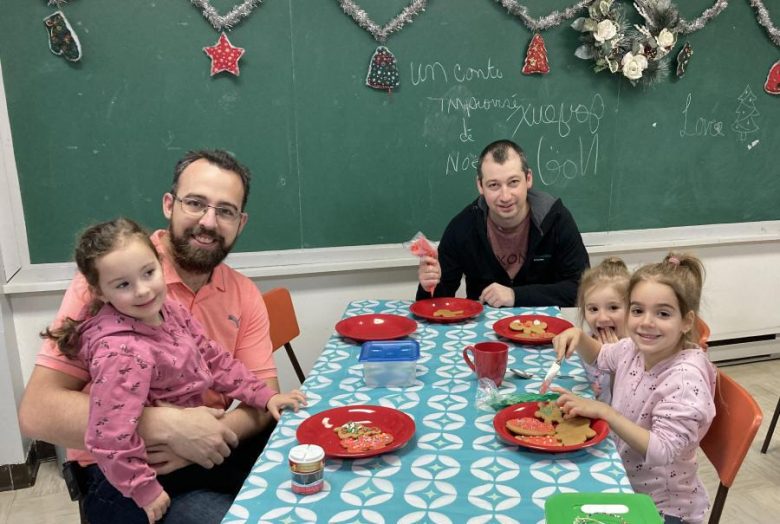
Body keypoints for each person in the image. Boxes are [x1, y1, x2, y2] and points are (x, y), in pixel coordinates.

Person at [19, 149, 278, 523]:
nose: (208, 221)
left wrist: (207, 435)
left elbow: (262, 388)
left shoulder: (243, 293)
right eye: (195, 203)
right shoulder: (108, 280)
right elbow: (37, 412)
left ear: (241, 222)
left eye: (225, 211)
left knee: (306, 475)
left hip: (206, 452)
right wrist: (166, 426)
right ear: (169, 204)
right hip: (123, 474)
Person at [42, 218, 306, 523]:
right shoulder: (121, 353)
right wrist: (144, 489)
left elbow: (213, 358)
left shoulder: (170, 311)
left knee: (286, 447)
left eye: (149, 273)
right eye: (123, 284)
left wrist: (262, 395)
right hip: (138, 475)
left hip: (188, 452)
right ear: (100, 292)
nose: (142, 291)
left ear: (160, 263)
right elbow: (109, 437)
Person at [552, 253, 716, 524]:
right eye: (638, 310)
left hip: (662, 508)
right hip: (625, 476)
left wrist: (606, 412)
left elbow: (662, 451)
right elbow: (601, 355)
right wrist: (579, 337)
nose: (646, 322)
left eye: (662, 313)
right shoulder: (633, 348)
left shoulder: (686, 380)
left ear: (687, 322)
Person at [416, 139, 589, 307]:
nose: (505, 196)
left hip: (545, 329)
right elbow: (433, 305)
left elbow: (582, 289)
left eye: (513, 182)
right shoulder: (463, 227)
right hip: (484, 331)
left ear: (528, 179)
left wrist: (516, 295)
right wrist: (428, 286)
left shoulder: (556, 219)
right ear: (480, 186)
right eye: (493, 185)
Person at [571, 256, 631, 402]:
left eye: (613, 308)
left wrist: (614, 360)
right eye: (593, 309)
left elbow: (625, 406)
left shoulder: (636, 351)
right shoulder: (588, 340)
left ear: (632, 308)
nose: (602, 317)